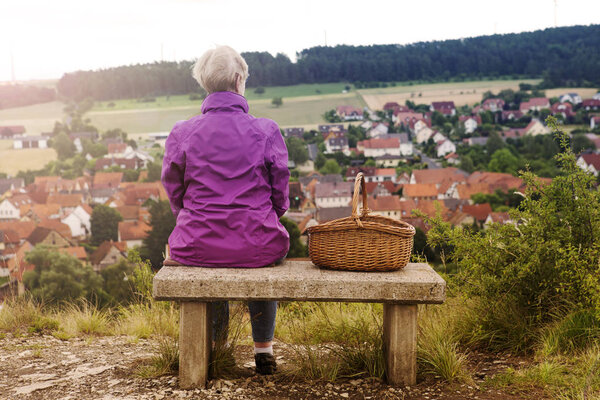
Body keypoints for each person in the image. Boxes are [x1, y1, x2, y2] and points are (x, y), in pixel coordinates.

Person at [161, 45, 290, 375]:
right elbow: (281, 193)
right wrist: (268, 215)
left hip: (197, 240)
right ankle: (264, 352)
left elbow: (174, 189)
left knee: (209, 259)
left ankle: (219, 349)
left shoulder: (181, 132)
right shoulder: (266, 130)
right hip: (257, 239)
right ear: (238, 79)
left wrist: (194, 218)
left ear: (205, 83)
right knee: (259, 262)